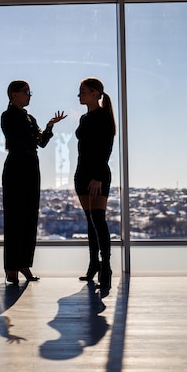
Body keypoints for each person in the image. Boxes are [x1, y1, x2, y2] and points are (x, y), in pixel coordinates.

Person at [1, 79, 66, 285]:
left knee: (29, 216)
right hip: (16, 166)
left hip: (31, 165)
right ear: (14, 94)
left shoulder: (30, 117)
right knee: (14, 217)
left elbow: (42, 143)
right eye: (26, 92)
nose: (29, 95)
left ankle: (24, 263)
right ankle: (11, 267)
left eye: (30, 91)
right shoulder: (8, 116)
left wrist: (48, 127)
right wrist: (35, 134)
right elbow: (17, 138)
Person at [75, 77, 116, 293]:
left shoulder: (104, 117)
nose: (79, 95)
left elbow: (106, 149)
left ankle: (106, 269)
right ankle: (93, 265)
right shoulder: (83, 118)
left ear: (94, 93)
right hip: (81, 174)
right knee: (90, 222)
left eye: (82, 91)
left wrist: (98, 177)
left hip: (98, 175)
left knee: (99, 220)